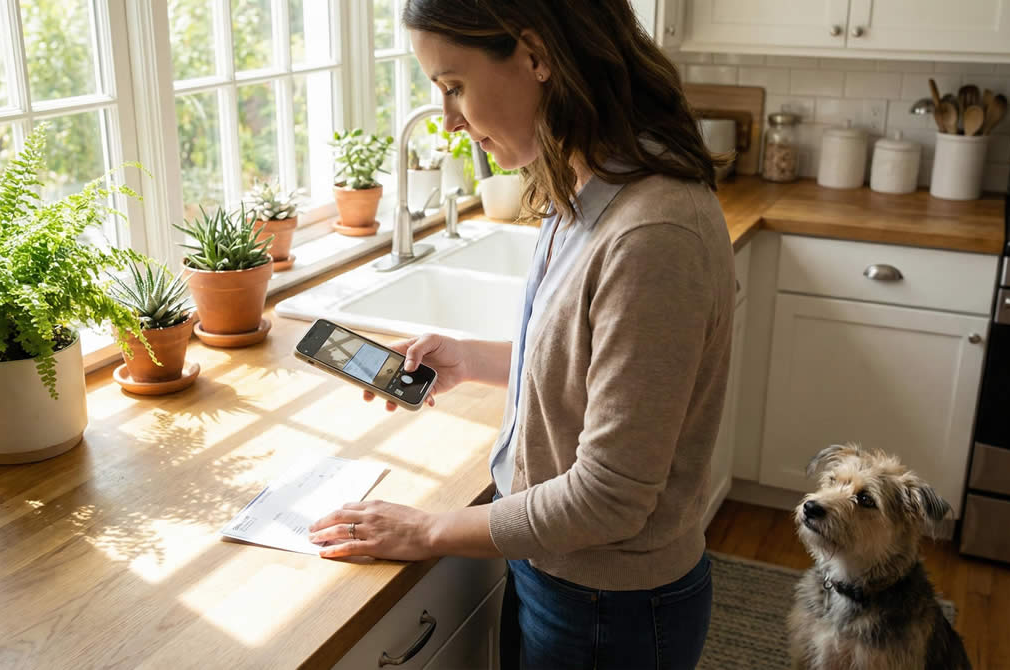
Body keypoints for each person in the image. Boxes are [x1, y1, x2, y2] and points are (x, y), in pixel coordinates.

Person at [308, 1, 734, 667]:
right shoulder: (587, 183)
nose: (448, 120)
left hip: (610, 608)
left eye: (454, 86)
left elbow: (610, 498)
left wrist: (429, 530)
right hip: (560, 574)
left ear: (535, 57)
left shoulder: (653, 231)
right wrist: (471, 360)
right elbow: (592, 364)